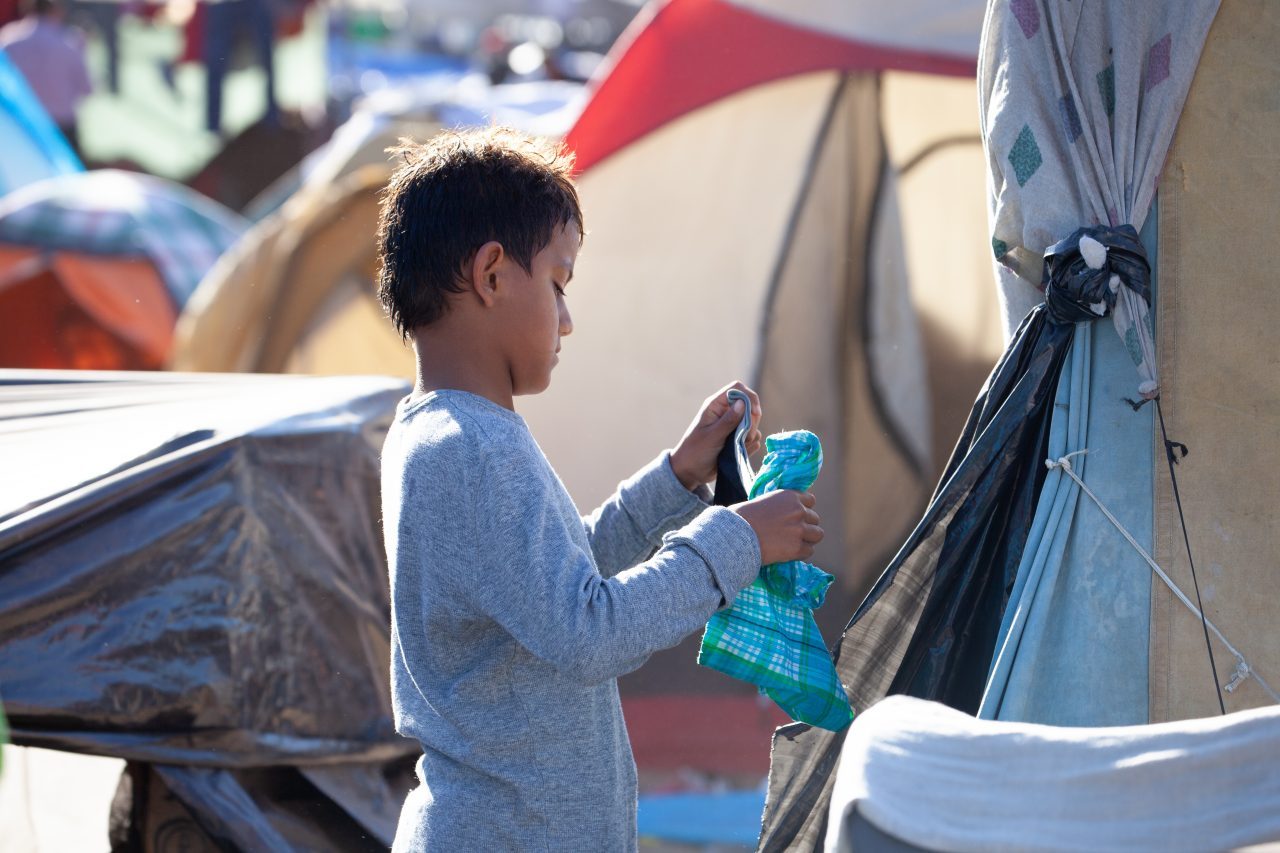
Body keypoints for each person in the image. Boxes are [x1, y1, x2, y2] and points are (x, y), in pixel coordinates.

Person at [377, 127, 824, 852]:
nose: (568, 318)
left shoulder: (443, 434)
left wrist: (677, 478)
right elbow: (589, 632)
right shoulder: (472, 447)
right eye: (558, 283)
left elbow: (553, 582)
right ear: (492, 275)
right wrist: (737, 540)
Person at [0, 0, 92, 152]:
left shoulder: (7, 40)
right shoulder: (70, 42)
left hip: (20, 125)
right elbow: (87, 89)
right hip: (61, 126)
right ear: (56, 10)